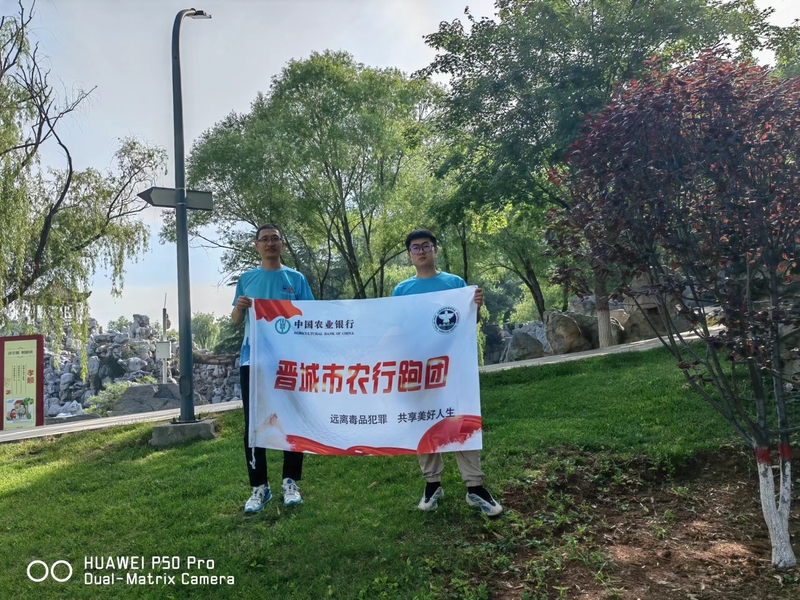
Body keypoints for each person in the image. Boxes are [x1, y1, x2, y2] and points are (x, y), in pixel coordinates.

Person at [392, 228, 503, 517]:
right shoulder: (401, 291)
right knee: (424, 422)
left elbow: (469, 322)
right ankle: (432, 484)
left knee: (461, 419)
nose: (421, 251)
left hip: (453, 366)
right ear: (409, 255)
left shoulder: (455, 284)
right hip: (419, 368)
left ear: (435, 249)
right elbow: (396, 328)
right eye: (415, 248)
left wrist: (476, 306)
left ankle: (475, 486)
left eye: (426, 246)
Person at [232, 224, 314, 513]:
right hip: (253, 360)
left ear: (283, 244)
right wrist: (240, 307)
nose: (270, 243)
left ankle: (290, 482)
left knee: (293, 419)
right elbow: (236, 320)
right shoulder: (247, 279)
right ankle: (259, 487)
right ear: (257, 245)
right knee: (254, 423)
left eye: (275, 239)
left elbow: (311, 317)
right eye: (264, 239)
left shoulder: (296, 279)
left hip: (290, 361)